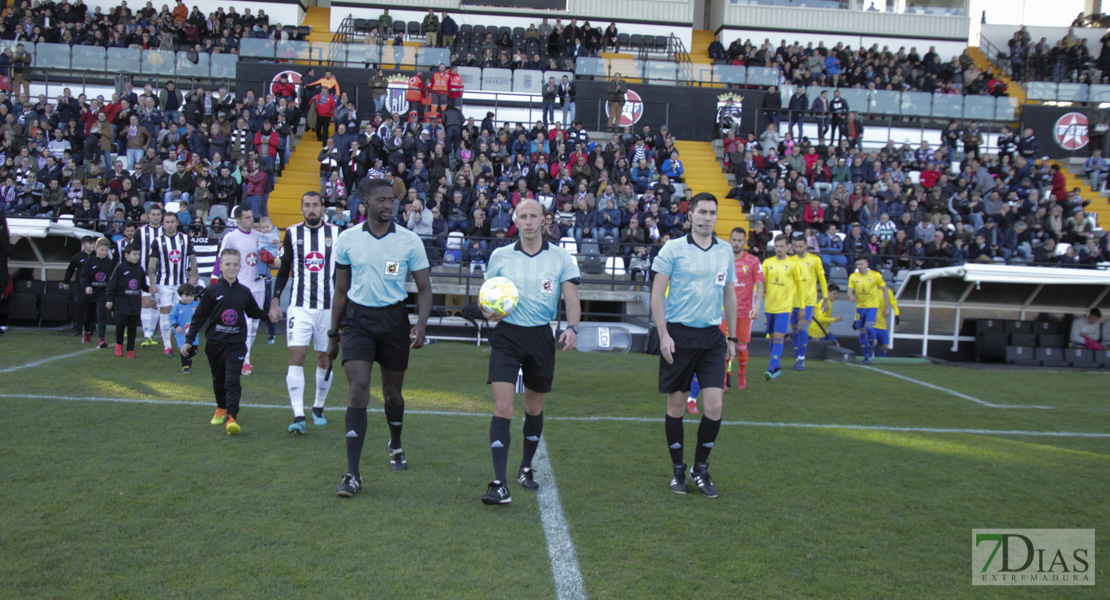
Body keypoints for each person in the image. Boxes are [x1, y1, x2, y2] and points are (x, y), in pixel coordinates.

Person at [328, 179, 433, 498]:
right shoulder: (346, 240)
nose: (389, 205)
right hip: (358, 321)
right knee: (358, 389)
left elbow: (425, 288)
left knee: (392, 395)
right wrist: (333, 334)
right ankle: (353, 474)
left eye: (392, 200)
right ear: (366, 202)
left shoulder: (409, 241)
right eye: (382, 200)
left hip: (393, 321)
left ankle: (396, 443)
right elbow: (341, 291)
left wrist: (421, 325)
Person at [479, 199, 581, 506]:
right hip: (507, 335)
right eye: (521, 216)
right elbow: (488, 296)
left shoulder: (561, 257)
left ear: (544, 219)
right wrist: (488, 312)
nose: (527, 221)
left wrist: (573, 327)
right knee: (502, 408)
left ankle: (525, 467)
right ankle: (500, 483)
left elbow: (572, 298)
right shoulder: (500, 255)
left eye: (533, 216)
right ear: (515, 219)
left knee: (533, 407)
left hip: (540, 336)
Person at [650, 193, 737, 498]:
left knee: (714, 407)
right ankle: (677, 471)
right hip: (679, 336)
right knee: (676, 407)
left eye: (712, 213)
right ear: (691, 216)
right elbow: (657, 294)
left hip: (712, 337)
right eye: (701, 212)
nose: (706, 218)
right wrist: (663, 335)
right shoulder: (673, 248)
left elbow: (729, 295)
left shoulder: (725, 250)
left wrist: (733, 338)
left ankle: (700, 468)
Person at [182, 249, 278, 435]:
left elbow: (253, 312)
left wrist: (270, 315)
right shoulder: (212, 290)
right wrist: (188, 340)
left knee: (232, 381)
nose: (231, 268)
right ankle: (221, 407)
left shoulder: (244, 292)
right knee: (218, 379)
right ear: (221, 266)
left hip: (236, 345)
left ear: (240, 266)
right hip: (215, 344)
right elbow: (199, 317)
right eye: (228, 264)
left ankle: (232, 417)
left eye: (235, 264)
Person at [270, 192, 342, 434]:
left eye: (316, 205)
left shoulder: (337, 233)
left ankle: (318, 408)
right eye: (307, 205)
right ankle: (298, 415)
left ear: (323, 208)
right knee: (297, 357)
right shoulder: (291, 233)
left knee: (324, 358)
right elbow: (284, 268)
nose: (311, 209)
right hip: (299, 307)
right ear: (301, 209)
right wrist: (275, 299)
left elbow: (346, 270)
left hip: (328, 308)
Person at [212, 206, 267, 376]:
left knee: (255, 325)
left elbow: (269, 257)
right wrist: (215, 279)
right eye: (248, 218)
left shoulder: (260, 236)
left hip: (259, 285)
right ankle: (245, 360)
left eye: (252, 217)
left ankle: (244, 357)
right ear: (238, 220)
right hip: (242, 286)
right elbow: (221, 258)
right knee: (246, 324)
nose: (252, 220)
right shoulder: (231, 237)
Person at [148, 212, 197, 357]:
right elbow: (152, 264)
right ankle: (167, 347)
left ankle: (182, 345)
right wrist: (152, 284)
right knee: (165, 316)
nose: (169, 224)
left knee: (183, 314)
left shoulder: (185, 239)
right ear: (163, 224)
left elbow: (193, 260)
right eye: (167, 222)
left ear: (177, 223)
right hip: (164, 284)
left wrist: (193, 278)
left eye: (172, 222)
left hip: (181, 284)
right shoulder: (157, 241)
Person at [761, 234, 803, 380]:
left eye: (781, 246)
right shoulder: (767, 262)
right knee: (772, 337)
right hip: (769, 307)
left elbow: (800, 286)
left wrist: (802, 307)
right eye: (777, 246)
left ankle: (771, 368)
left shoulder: (793, 264)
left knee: (779, 336)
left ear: (787, 247)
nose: (778, 249)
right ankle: (777, 367)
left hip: (785, 308)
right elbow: (760, 284)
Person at [789, 233, 829, 371]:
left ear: (806, 245)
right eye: (796, 246)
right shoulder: (791, 260)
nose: (798, 249)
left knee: (801, 327)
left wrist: (825, 298)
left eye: (801, 246)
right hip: (793, 301)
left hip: (808, 300)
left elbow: (822, 279)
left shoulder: (815, 260)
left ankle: (801, 359)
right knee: (794, 329)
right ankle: (798, 357)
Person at [106, 243, 150, 358]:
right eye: (134, 254)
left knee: (132, 327)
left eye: (138, 254)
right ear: (126, 255)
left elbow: (142, 285)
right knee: (120, 324)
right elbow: (112, 285)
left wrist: (150, 289)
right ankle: (119, 344)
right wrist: (109, 299)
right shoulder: (120, 268)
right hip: (121, 302)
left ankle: (130, 350)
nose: (137, 257)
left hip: (134, 303)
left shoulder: (140, 269)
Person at [847, 255, 886, 365]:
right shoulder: (853, 276)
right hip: (859, 308)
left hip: (872, 306)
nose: (859, 267)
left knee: (869, 327)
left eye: (861, 264)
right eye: (858, 264)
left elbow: (885, 290)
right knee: (862, 333)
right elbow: (850, 290)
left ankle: (871, 347)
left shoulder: (875, 275)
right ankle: (866, 356)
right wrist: (850, 297)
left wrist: (887, 307)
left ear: (867, 264)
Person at [79, 238, 116, 348]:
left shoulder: (110, 264)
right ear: (96, 249)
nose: (104, 252)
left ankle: (101, 338)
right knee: (88, 316)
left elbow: (113, 279)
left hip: (103, 294)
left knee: (101, 314)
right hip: (90, 294)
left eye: (106, 250)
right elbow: (83, 276)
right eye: (102, 250)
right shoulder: (89, 262)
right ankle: (86, 332)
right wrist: (86, 286)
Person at [136, 206, 164, 347]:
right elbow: (134, 251)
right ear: (148, 216)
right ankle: (147, 334)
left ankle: (151, 333)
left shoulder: (167, 231)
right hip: (145, 273)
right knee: (146, 302)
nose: (155, 217)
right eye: (153, 214)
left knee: (156, 305)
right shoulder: (140, 232)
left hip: (163, 275)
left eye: (158, 214)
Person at [64, 236, 96, 340]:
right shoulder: (77, 257)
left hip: (93, 286)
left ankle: (91, 328)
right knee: (79, 306)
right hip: (79, 286)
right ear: (83, 244)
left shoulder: (97, 256)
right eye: (89, 243)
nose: (91, 245)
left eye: (93, 243)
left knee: (91, 307)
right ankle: (78, 328)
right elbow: (70, 269)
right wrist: (66, 282)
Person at [169, 284, 199, 373]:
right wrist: (176, 326)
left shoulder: (196, 305)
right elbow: (171, 317)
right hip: (181, 332)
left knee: (194, 350)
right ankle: (185, 367)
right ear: (181, 295)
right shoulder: (177, 307)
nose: (189, 298)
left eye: (191, 296)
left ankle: (189, 357)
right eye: (186, 296)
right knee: (183, 348)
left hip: (193, 332)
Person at [873, 286, 900, 357]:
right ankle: (868, 356)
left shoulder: (887, 292)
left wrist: (896, 314)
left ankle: (880, 360)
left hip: (882, 324)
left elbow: (894, 303)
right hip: (871, 323)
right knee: (873, 342)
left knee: (884, 346)